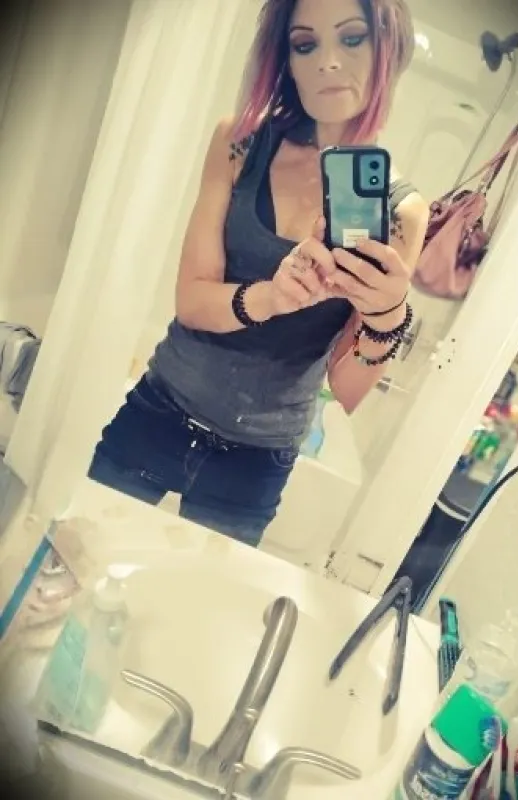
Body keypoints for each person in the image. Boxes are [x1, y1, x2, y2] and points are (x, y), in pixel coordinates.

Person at [88, 0, 430, 547]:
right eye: (305, 44)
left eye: (351, 38)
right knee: (74, 557)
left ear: (390, 49)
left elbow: (345, 390)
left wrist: (388, 316)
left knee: (200, 597)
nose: (328, 61)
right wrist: (273, 296)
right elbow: (191, 302)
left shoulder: (402, 213)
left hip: (255, 462)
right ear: (286, 58)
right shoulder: (239, 142)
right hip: (159, 411)